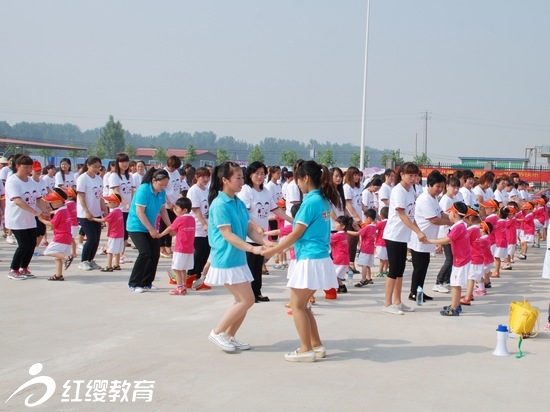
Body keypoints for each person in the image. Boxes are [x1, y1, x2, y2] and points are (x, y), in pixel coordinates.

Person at [262, 159, 340, 362]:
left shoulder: (309, 203)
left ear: (305, 178)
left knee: (297, 306)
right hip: (318, 258)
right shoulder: (322, 200)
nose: (297, 184)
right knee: (304, 306)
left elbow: (296, 234)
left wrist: (271, 250)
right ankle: (316, 345)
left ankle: (306, 349)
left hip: (309, 259)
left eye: (298, 180)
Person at [205, 162, 267, 352]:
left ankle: (229, 336)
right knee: (246, 300)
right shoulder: (220, 204)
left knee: (245, 300)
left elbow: (249, 228)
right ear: (225, 180)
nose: (242, 181)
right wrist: (252, 249)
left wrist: (265, 243)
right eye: (238, 177)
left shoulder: (238, 202)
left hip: (238, 258)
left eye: (242, 177)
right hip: (226, 258)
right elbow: (228, 234)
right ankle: (217, 332)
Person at [238, 161, 291, 302]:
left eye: (262, 174)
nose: (260, 177)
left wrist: (292, 220)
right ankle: (249, 294)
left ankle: (257, 292)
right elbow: (243, 214)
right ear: (250, 175)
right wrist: (255, 226)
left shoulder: (266, 191)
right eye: (257, 173)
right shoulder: (246, 190)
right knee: (249, 266)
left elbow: (276, 209)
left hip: (261, 236)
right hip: (249, 235)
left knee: (258, 265)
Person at [126, 168, 172, 293]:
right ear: (153, 180)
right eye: (161, 184)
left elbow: (163, 210)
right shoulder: (143, 189)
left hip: (149, 227)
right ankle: (134, 283)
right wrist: (151, 229)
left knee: (155, 254)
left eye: (165, 185)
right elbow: (139, 212)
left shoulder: (161, 192)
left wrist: (171, 226)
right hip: (136, 226)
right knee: (144, 252)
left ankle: (147, 282)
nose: (163, 187)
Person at [5, 155, 50, 280]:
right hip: (16, 219)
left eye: (30, 167)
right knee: (24, 244)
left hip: (29, 220)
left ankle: (23, 268)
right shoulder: (12, 181)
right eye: (26, 167)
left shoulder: (31, 181)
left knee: (31, 244)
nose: (29, 170)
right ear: (17, 166)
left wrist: (45, 211)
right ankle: (13, 269)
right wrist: (36, 213)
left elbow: (38, 199)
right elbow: (17, 201)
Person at [407, 170, 449, 302]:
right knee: (419, 267)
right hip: (420, 240)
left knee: (424, 266)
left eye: (442, 187)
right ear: (430, 185)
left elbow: (441, 214)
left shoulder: (434, 198)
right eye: (438, 186)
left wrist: (457, 221)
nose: (440, 190)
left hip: (428, 240)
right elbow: (434, 219)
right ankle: (414, 292)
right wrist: (452, 222)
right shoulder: (424, 199)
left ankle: (420, 291)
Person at [427, 202, 471, 316]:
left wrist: (430, 241)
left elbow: (447, 240)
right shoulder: (461, 225)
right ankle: (456, 304)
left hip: (460, 261)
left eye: (450, 212)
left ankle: (454, 308)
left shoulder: (458, 227)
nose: (449, 215)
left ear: (455, 214)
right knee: (456, 284)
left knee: (455, 285)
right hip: (462, 259)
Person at [159, 197, 195, 296]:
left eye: (177, 208)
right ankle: (184, 286)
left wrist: (161, 234)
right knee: (183, 269)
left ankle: (179, 287)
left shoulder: (179, 219)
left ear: (184, 210)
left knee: (176, 268)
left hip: (180, 248)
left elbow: (171, 228)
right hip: (189, 249)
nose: (175, 210)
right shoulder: (192, 219)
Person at [76, 157, 108, 271]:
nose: (96, 169)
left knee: (97, 238)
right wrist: (86, 211)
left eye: (98, 167)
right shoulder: (82, 179)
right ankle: (83, 261)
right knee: (91, 238)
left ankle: (90, 260)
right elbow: (80, 196)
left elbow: (100, 197)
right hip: (85, 214)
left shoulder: (99, 179)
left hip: (96, 213)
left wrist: (105, 210)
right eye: (94, 166)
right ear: (88, 166)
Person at [39, 188, 74, 281]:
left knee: (48, 252)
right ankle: (59, 275)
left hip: (61, 236)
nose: (51, 203)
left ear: (59, 202)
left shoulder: (60, 212)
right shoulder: (64, 209)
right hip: (67, 237)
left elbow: (52, 224)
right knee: (57, 257)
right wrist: (50, 212)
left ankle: (67, 258)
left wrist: (41, 219)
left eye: (52, 202)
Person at [187, 166, 212, 289]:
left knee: (206, 251)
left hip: (207, 225)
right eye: (203, 177)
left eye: (207, 176)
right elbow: (196, 209)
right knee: (200, 250)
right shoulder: (193, 190)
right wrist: (203, 224)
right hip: (197, 225)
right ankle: (190, 274)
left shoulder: (207, 190)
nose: (206, 179)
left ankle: (198, 276)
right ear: (197, 177)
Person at [93, 193, 124, 272]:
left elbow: (104, 220)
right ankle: (117, 265)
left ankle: (109, 266)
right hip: (120, 234)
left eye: (110, 202)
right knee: (117, 251)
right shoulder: (120, 211)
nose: (108, 203)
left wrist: (93, 219)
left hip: (114, 234)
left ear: (116, 203)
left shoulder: (113, 212)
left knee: (110, 251)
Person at [159, 155, 182, 258]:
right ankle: (161, 246)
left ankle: (168, 245)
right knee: (164, 226)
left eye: (176, 168)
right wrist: (168, 201)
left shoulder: (176, 172)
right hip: (166, 204)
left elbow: (177, 187)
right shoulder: (164, 173)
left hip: (175, 203)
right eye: (173, 167)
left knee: (172, 225)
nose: (174, 169)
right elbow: (162, 189)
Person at [354, 208, 377, 287]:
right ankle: (369, 278)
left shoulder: (367, 227)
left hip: (365, 248)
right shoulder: (374, 227)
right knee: (367, 265)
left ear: (369, 218)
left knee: (364, 264)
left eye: (365, 217)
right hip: (370, 248)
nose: (364, 219)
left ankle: (363, 279)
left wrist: (347, 231)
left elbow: (358, 233)